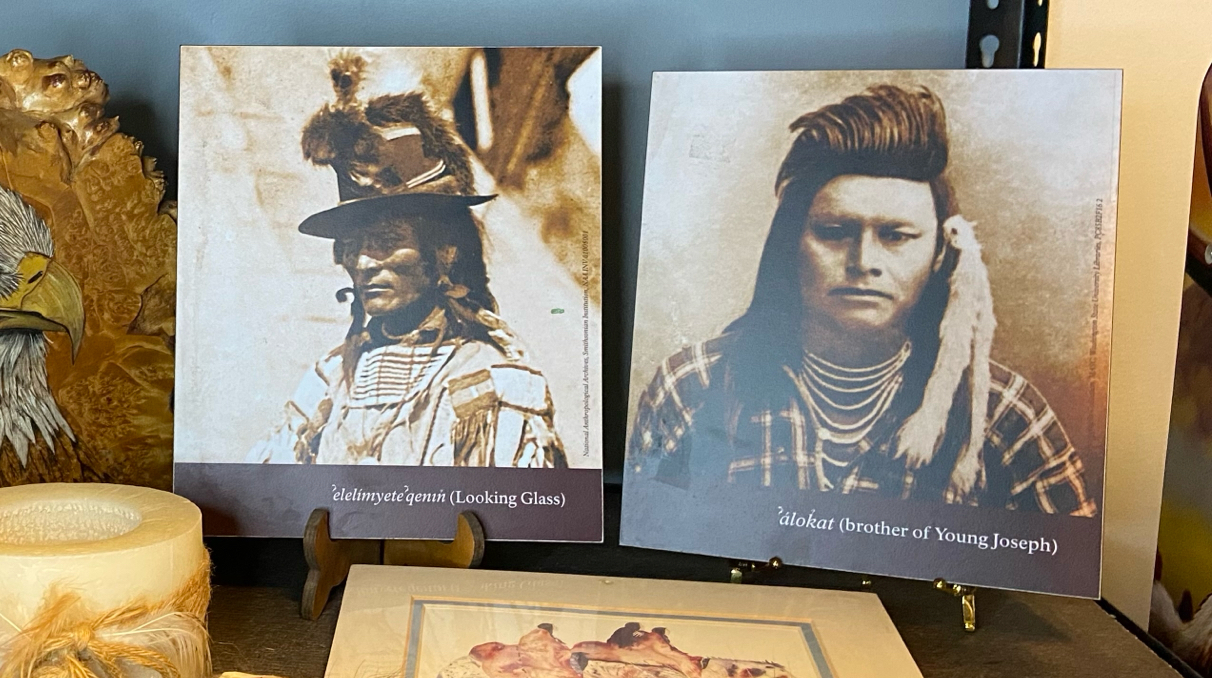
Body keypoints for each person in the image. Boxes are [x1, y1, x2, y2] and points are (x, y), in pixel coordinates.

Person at [628, 84, 1095, 515]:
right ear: (792, 244)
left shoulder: (1001, 410)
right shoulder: (693, 385)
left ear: (940, 254)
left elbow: (1057, 571)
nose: (864, 261)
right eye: (834, 232)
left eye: (896, 236)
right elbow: (649, 552)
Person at [248, 55, 567, 468]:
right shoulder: (328, 383)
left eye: (386, 240)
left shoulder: (492, 388)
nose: (365, 261)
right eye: (354, 244)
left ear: (444, 252)